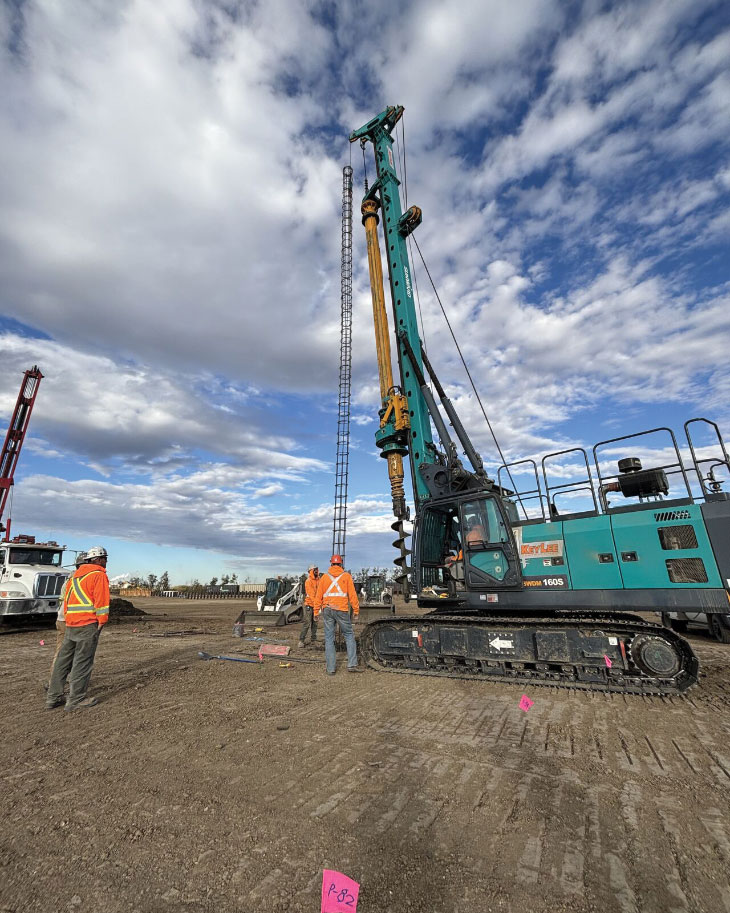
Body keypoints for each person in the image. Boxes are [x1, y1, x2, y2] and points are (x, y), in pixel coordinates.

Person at [45, 545, 110, 712]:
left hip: (70, 623)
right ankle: (76, 699)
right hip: (87, 624)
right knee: (82, 662)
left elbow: (66, 601)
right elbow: (101, 601)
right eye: (105, 559)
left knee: (63, 661)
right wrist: (102, 620)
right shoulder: (98, 575)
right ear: (98, 560)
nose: (106, 562)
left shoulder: (75, 577)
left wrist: (69, 619)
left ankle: (53, 697)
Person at [46, 550, 86, 690]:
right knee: (67, 653)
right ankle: (55, 683)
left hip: (64, 618)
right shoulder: (81, 580)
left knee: (63, 651)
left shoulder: (69, 580)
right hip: (71, 620)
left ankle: (55, 682)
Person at [314, 554, 361, 674]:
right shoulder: (346, 576)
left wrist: (316, 612)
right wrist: (356, 610)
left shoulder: (324, 577)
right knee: (349, 635)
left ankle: (330, 669)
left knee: (329, 638)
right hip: (341, 610)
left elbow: (318, 596)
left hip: (327, 609)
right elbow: (352, 595)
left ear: (331, 563)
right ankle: (352, 664)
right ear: (341, 563)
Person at [298, 564, 319, 648]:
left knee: (315, 623)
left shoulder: (319, 580)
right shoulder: (308, 581)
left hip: (316, 605)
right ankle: (301, 640)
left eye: (317, 569)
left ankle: (313, 640)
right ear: (311, 571)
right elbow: (311, 594)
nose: (316, 571)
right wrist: (317, 604)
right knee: (307, 623)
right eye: (315, 570)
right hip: (309, 605)